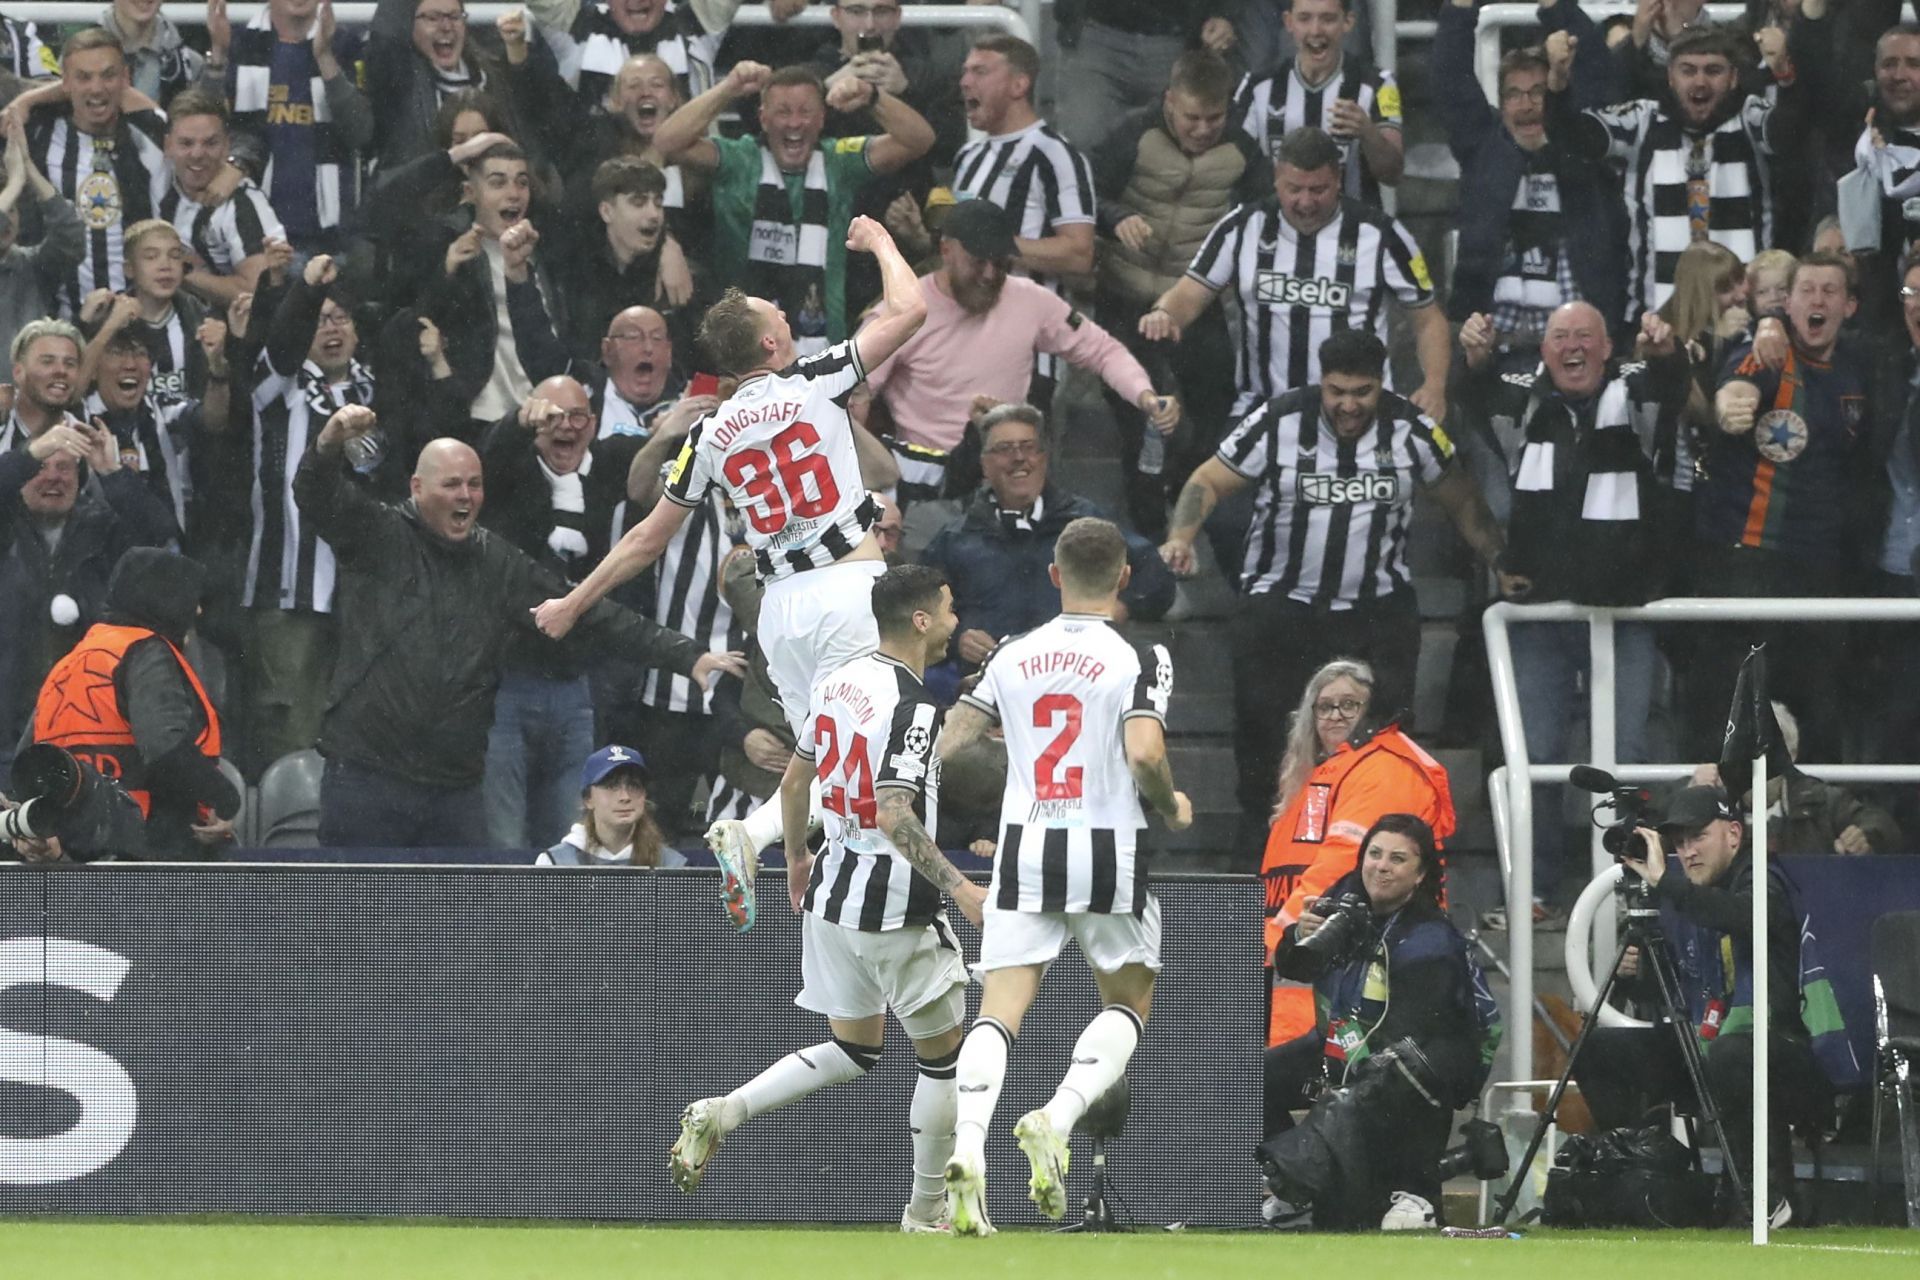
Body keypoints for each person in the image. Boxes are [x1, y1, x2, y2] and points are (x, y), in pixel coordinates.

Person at [531, 214, 927, 923]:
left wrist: (572, 602)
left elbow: (645, 540)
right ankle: (887, 911)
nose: (785, 316)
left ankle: (770, 845)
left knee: (824, 762)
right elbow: (913, 308)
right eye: (778, 315)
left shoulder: (708, 434)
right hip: (851, 591)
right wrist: (881, 245)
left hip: (779, 615)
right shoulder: (814, 379)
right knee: (883, 757)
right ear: (772, 343)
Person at [669, 564, 984, 1233]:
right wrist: (960, 889)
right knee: (943, 1059)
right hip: (895, 903)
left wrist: (794, 857)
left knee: (854, 1049)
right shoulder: (914, 705)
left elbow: (794, 783)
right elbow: (896, 812)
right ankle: (926, 1214)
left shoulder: (837, 682)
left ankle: (724, 1110)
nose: (956, 620)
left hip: (831, 898)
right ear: (922, 620)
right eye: (949, 608)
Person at [293, 404, 739, 848]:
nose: (465, 496)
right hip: (368, 778)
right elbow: (314, 491)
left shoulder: (496, 563)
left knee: (460, 919)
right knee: (354, 915)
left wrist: (687, 654)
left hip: (455, 789)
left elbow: (586, 612)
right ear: (417, 488)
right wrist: (329, 444)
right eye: (451, 485)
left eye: (474, 484)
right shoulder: (377, 536)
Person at [934, 517, 1192, 1236]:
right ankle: (1056, 1115)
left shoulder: (1015, 651)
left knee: (999, 1011)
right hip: (1107, 847)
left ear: (1054, 576)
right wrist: (1170, 804)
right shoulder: (1138, 656)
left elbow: (953, 739)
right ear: (1124, 578)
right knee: (1128, 1002)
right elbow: (1143, 752)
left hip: (1024, 847)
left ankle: (969, 1150)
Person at [1163, 329, 1499, 842]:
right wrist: (1181, 537)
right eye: (1336, 391)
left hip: (1376, 608)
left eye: (1361, 392)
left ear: (1381, 385)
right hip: (1282, 603)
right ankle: (1263, 849)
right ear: (1321, 383)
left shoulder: (1412, 429)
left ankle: (1371, 848)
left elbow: (1462, 499)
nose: (1348, 404)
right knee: (1265, 735)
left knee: (1383, 739)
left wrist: (1500, 557)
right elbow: (1208, 480)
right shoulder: (1279, 419)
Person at [1460, 301, 1690, 920]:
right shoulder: (1519, 400)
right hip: (1540, 614)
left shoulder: (1636, 391)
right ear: (1544, 349)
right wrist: (1475, 361)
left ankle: (1624, 888)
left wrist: (1667, 350)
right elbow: (1475, 392)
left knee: (1627, 753)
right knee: (1531, 758)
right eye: (1560, 337)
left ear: (1608, 346)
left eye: (1586, 336)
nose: (1573, 348)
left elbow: (1672, 384)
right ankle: (1531, 892)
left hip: (1624, 611)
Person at [1574, 785, 1859, 1224]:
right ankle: (1645, 1173)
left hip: (1791, 1055)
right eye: (1680, 842)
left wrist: (1667, 884)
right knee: (1598, 1049)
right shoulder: (1687, 893)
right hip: (1712, 1045)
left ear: (1733, 833)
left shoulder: (1765, 879)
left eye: (1698, 837)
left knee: (1732, 1053)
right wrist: (1638, 975)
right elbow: (1676, 988)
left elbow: (1740, 917)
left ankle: (1766, 1196)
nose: (1687, 852)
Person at [1261, 814, 1501, 1230]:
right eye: (1374, 854)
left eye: (1397, 859)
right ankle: (1298, 1193)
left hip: (1420, 1065)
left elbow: (1407, 1036)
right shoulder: (1346, 897)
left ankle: (1412, 1193)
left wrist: (1342, 1078)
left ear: (1420, 874)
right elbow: (1295, 965)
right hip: (1342, 1044)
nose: (1381, 866)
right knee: (1243, 1077)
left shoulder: (1431, 936)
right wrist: (1299, 936)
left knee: (1389, 1074)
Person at [863, 199, 1179, 501]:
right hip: (927, 482)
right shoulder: (902, 311)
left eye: (1000, 263)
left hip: (1007, 478)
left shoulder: (1030, 300)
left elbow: (1103, 351)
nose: (989, 275)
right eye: (977, 262)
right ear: (947, 250)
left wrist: (1145, 396)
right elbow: (852, 393)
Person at [1699, 252, 1881, 761]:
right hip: (1752, 566)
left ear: (1849, 305)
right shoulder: (1769, 352)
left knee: (1818, 714)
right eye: (1806, 290)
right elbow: (1738, 381)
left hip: (1822, 569)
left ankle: (1813, 832)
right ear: (1788, 301)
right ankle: (1734, 833)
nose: (1817, 300)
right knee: (1742, 717)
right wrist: (1729, 402)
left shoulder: (1857, 366)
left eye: (1829, 291)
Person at [1142, 126, 1448, 425]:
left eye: (1318, 190)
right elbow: (1188, 295)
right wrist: (1164, 313)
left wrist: (1434, 386)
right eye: (1294, 189)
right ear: (1276, 179)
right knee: (1213, 475)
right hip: (1263, 407)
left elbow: (1428, 318)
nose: (1305, 202)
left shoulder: (1381, 234)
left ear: (1338, 180)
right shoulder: (1242, 227)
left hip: (1358, 411)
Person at [1090, 49, 1266, 537]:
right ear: (1169, 101)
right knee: (1140, 417)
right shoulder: (1133, 133)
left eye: (1215, 117)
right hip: (1125, 296)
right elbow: (1085, 190)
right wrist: (1115, 217)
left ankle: (1189, 509)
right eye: (1192, 117)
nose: (1204, 128)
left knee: (1215, 407)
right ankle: (1146, 533)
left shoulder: (1243, 150)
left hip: (1193, 302)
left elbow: (1263, 214)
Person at [476, 375, 657, 848]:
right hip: (509, 684)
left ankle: (563, 923)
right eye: (553, 418)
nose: (567, 428)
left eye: (577, 417)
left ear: (593, 423)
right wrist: (518, 421)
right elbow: (488, 455)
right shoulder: (509, 472)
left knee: (570, 837)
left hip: (578, 687)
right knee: (504, 838)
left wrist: (674, 423)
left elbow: (649, 471)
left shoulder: (611, 465)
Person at [651, 60, 934, 352]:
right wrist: (728, 88)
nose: (795, 123)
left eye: (805, 112)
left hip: (824, 348)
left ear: (822, 119)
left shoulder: (838, 161)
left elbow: (920, 140)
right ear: (763, 118)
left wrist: (872, 97)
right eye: (783, 112)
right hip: (741, 346)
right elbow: (666, 141)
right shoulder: (739, 159)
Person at [1551, 24, 1807, 326]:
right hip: (1656, 322)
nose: (1700, 81)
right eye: (1688, 70)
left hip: (1744, 322)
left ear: (1734, 78)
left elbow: (1791, 133)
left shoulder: (1750, 118)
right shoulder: (1643, 120)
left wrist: (1785, 77)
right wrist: (1558, 84)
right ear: (1671, 77)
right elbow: (1575, 137)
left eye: (1713, 70)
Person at [1259, 659, 1458, 1046]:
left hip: (1349, 964)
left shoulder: (1385, 769)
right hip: (1308, 962)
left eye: (1349, 705)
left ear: (1373, 712)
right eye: (1324, 706)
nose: (1335, 715)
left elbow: (1341, 864)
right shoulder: (1326, 773)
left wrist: (1272, 941)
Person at [922, 403, 1177, 702]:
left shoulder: (1085, 523)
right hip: (986, 696)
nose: (1019, 458)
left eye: (1028, 447)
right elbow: (921, 612)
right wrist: (956, 638)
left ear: (1044, 457)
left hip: (1078, 690)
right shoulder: (955, 539)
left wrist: (1118, 609)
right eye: (1005, 449)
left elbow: (1156, 577)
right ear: (985, 464)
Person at [31, 546, 241, 860]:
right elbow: (163, 748)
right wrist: (224, 798)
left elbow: (30, 760)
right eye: (190, 597)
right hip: (149, 848)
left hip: (76, 849)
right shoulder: (146, 652)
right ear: (163, 598)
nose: (196, 612)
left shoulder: (70, 662)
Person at [1434, 0, 1620, 342]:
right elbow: (1451, 79)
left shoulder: (1583, 149)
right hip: (1494, 342)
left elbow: (1594, 67)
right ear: (1501, 104)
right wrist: (1459, 9)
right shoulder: (1484, 148)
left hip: (1577, 339)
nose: (1527, 105)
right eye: (1514, 95)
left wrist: (1555, 7)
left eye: (1538, 91)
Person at [0, 418, 178, 766]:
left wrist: (110, 471)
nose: (53, 477)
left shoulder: (104, 529)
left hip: (87, 728)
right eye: (41, 466)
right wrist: (28, 453)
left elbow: (160, 533)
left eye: (65, 467)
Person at [952, 34, 1096, 410]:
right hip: (964, 340)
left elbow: (1080, 252)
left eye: (981, 71)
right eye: (965, 72)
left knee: (1019, 462)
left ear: (1020, 84)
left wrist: (997, 246)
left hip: (1028, 350)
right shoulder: (968, 157)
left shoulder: (1055, 154)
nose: (966, 81)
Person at [18, 28, 169, 320]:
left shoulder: (152, 133)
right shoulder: (36, 135)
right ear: (65, 82)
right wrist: (24, 101)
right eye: (84, 77)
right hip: (57, 321)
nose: (97, 88)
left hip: (140, 317)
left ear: (125, 78)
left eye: (108, 75)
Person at [205, 0, 374, 257]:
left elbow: (361, 133)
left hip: (331, 237)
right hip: (255, 234)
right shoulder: (239, 41)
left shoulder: (345, 45)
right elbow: (204, 126)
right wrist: (218, 55)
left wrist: (325, 57)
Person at [1232, 0, 1403, 210]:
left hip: (1351, 236)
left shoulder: (1380, 84)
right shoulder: (1256, 86)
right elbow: (1229, 169)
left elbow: (1393, 174)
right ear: (1289, 22)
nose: (1316, 30)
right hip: (1275, 233)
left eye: (1328, 19)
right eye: (1304, 19)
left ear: (1348, 22)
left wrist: (1368, 132)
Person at [1691, 702, 1902, 855]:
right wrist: (1691, 796)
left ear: (1789, 755)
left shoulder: (1821, 800)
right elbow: (1661, 828)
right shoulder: (1711, 798)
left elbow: (1882, 824)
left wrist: (1865, 836)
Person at [156, 90, 287, 309]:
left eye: (210, 143)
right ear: (168, 145)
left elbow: (254, 290)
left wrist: (181, 271)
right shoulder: (158, 181)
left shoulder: (243, 203)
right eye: (186, 143)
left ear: (226, 146)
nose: (197, 153)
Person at [0, 112, 86, 367]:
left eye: (13, 209)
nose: (7, 220)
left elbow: (71, 237)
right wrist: (15, 181)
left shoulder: (32, 265)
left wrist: (27, 167)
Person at [536, 744, 684, 866]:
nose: (625, 797)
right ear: (588, 799)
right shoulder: (554, 863)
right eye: (611, 786)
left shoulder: (672, 864)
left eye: (634, 785)